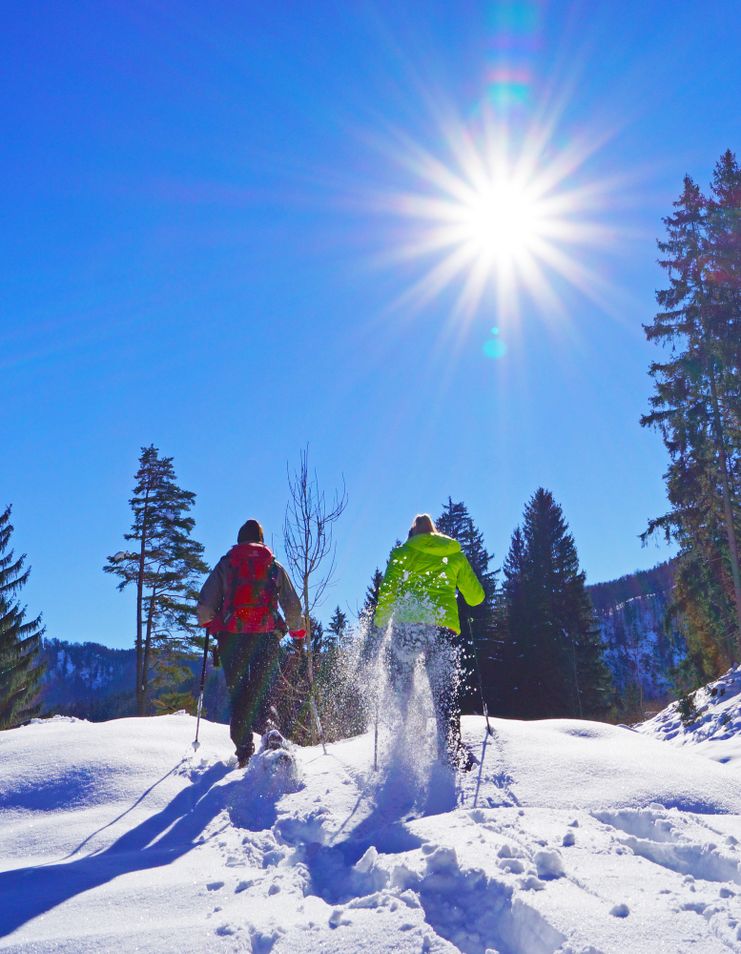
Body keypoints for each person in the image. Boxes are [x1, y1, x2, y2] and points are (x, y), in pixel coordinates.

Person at [374, 513, 485, 769]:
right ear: (436, 532)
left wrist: (380, 624)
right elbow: (476, 597)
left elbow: (388, 591)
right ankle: (451, 752)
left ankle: (402, 750)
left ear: (414, 533)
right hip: (442, 628)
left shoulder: (403, 553)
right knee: (444, 692)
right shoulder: (453, 553)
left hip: (408, 626)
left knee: (403, 686)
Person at [197, 519, 305, 767]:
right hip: (266, 636)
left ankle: (244, 750)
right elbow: (292, 603)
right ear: (261, 539)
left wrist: (210, 625)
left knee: (239, 694)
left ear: (239, 539)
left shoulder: (227, 564)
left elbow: (205, 606)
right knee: (263, 692)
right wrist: (297, 630)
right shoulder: (273, 565)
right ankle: (270, 732)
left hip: (232, 637)